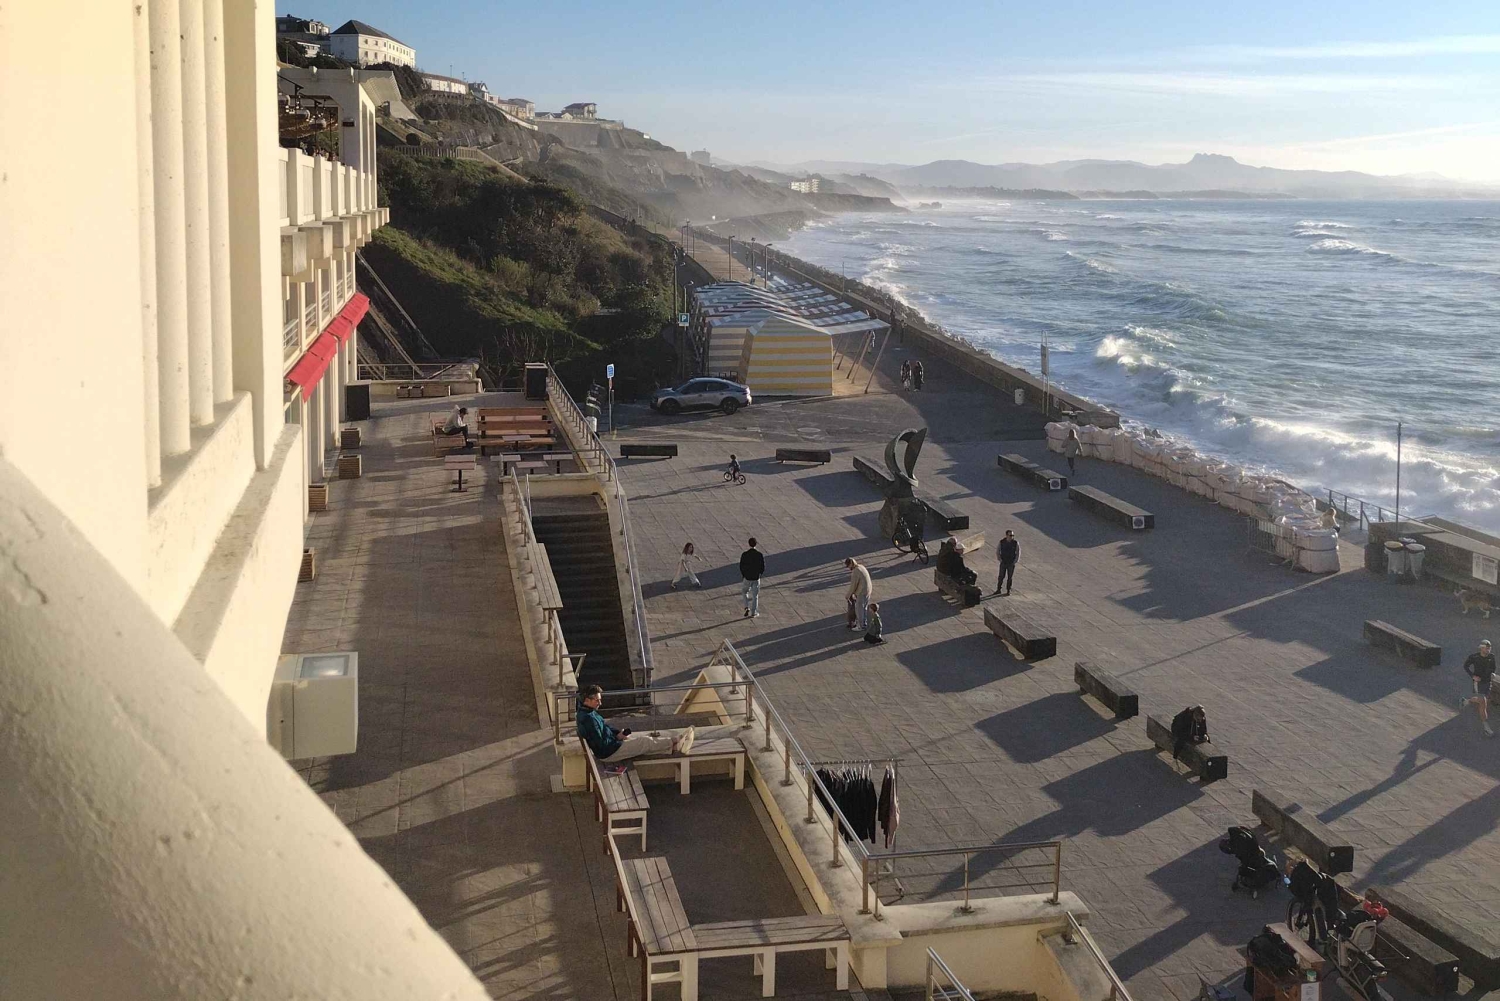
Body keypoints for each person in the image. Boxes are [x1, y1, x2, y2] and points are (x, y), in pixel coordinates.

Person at [576, 685, 695, 772]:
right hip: (609, 753)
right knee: (644, 741)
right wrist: (618, 740)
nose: (600, 703)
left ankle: (674, 746)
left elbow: (605, 728)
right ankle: (675, 741)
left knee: (642, 740)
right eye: (597, 700)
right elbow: (601, 744)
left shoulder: (589, 712)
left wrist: (618, 734)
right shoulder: (588, 719)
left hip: (611, 746)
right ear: (587, 700)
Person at [1459, 639, 1497, 737]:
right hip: (1478, 683)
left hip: (1488, 682)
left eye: (1489, 648)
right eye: (1486, 648)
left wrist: (1493, 674)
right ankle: (1486, 728)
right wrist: (1473, 676)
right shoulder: (1474, 657)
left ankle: (1466, 701)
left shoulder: (1492, 657)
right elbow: (1465, 666)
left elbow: (1493, 667)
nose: (1488, 650)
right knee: (1483, 703)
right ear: (1481, 648)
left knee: (1483, 701)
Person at [845, 557, 873, 632]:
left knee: (859, 609)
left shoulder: (855, 572)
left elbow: (853, 586)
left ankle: (861, 626)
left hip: (862, 592)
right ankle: (864, 623)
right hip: (868, 590)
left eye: (848, 566)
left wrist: (848, 595)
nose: (848, 568)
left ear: (851, 564)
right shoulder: (861, 566)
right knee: (864, 608)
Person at [739, 537, 765, 618]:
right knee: (755, 596)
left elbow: (741, 566)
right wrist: (760, 574)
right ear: (756, 544)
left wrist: (743, 575)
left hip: (747, 577)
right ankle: (754, 612)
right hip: (756, 578)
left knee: (744, 591)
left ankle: (746, 607)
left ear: (748, 544)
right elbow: (762, 567)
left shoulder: (744, 554)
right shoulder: (759, 555)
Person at [996, 529, 1020, 595]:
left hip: (1011, 563)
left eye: (1012, 535)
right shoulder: (1002, 542)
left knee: (1010, 577)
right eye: (1010, 535)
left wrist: (1015, 561)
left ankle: (1008, 590)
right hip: (1003, 562)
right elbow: (998, 550)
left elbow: (1018, 552)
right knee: (1001, 576)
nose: (1011, 537)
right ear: (1006, 535)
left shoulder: (1015, 543)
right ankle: (998, 589)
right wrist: (1000, 559)